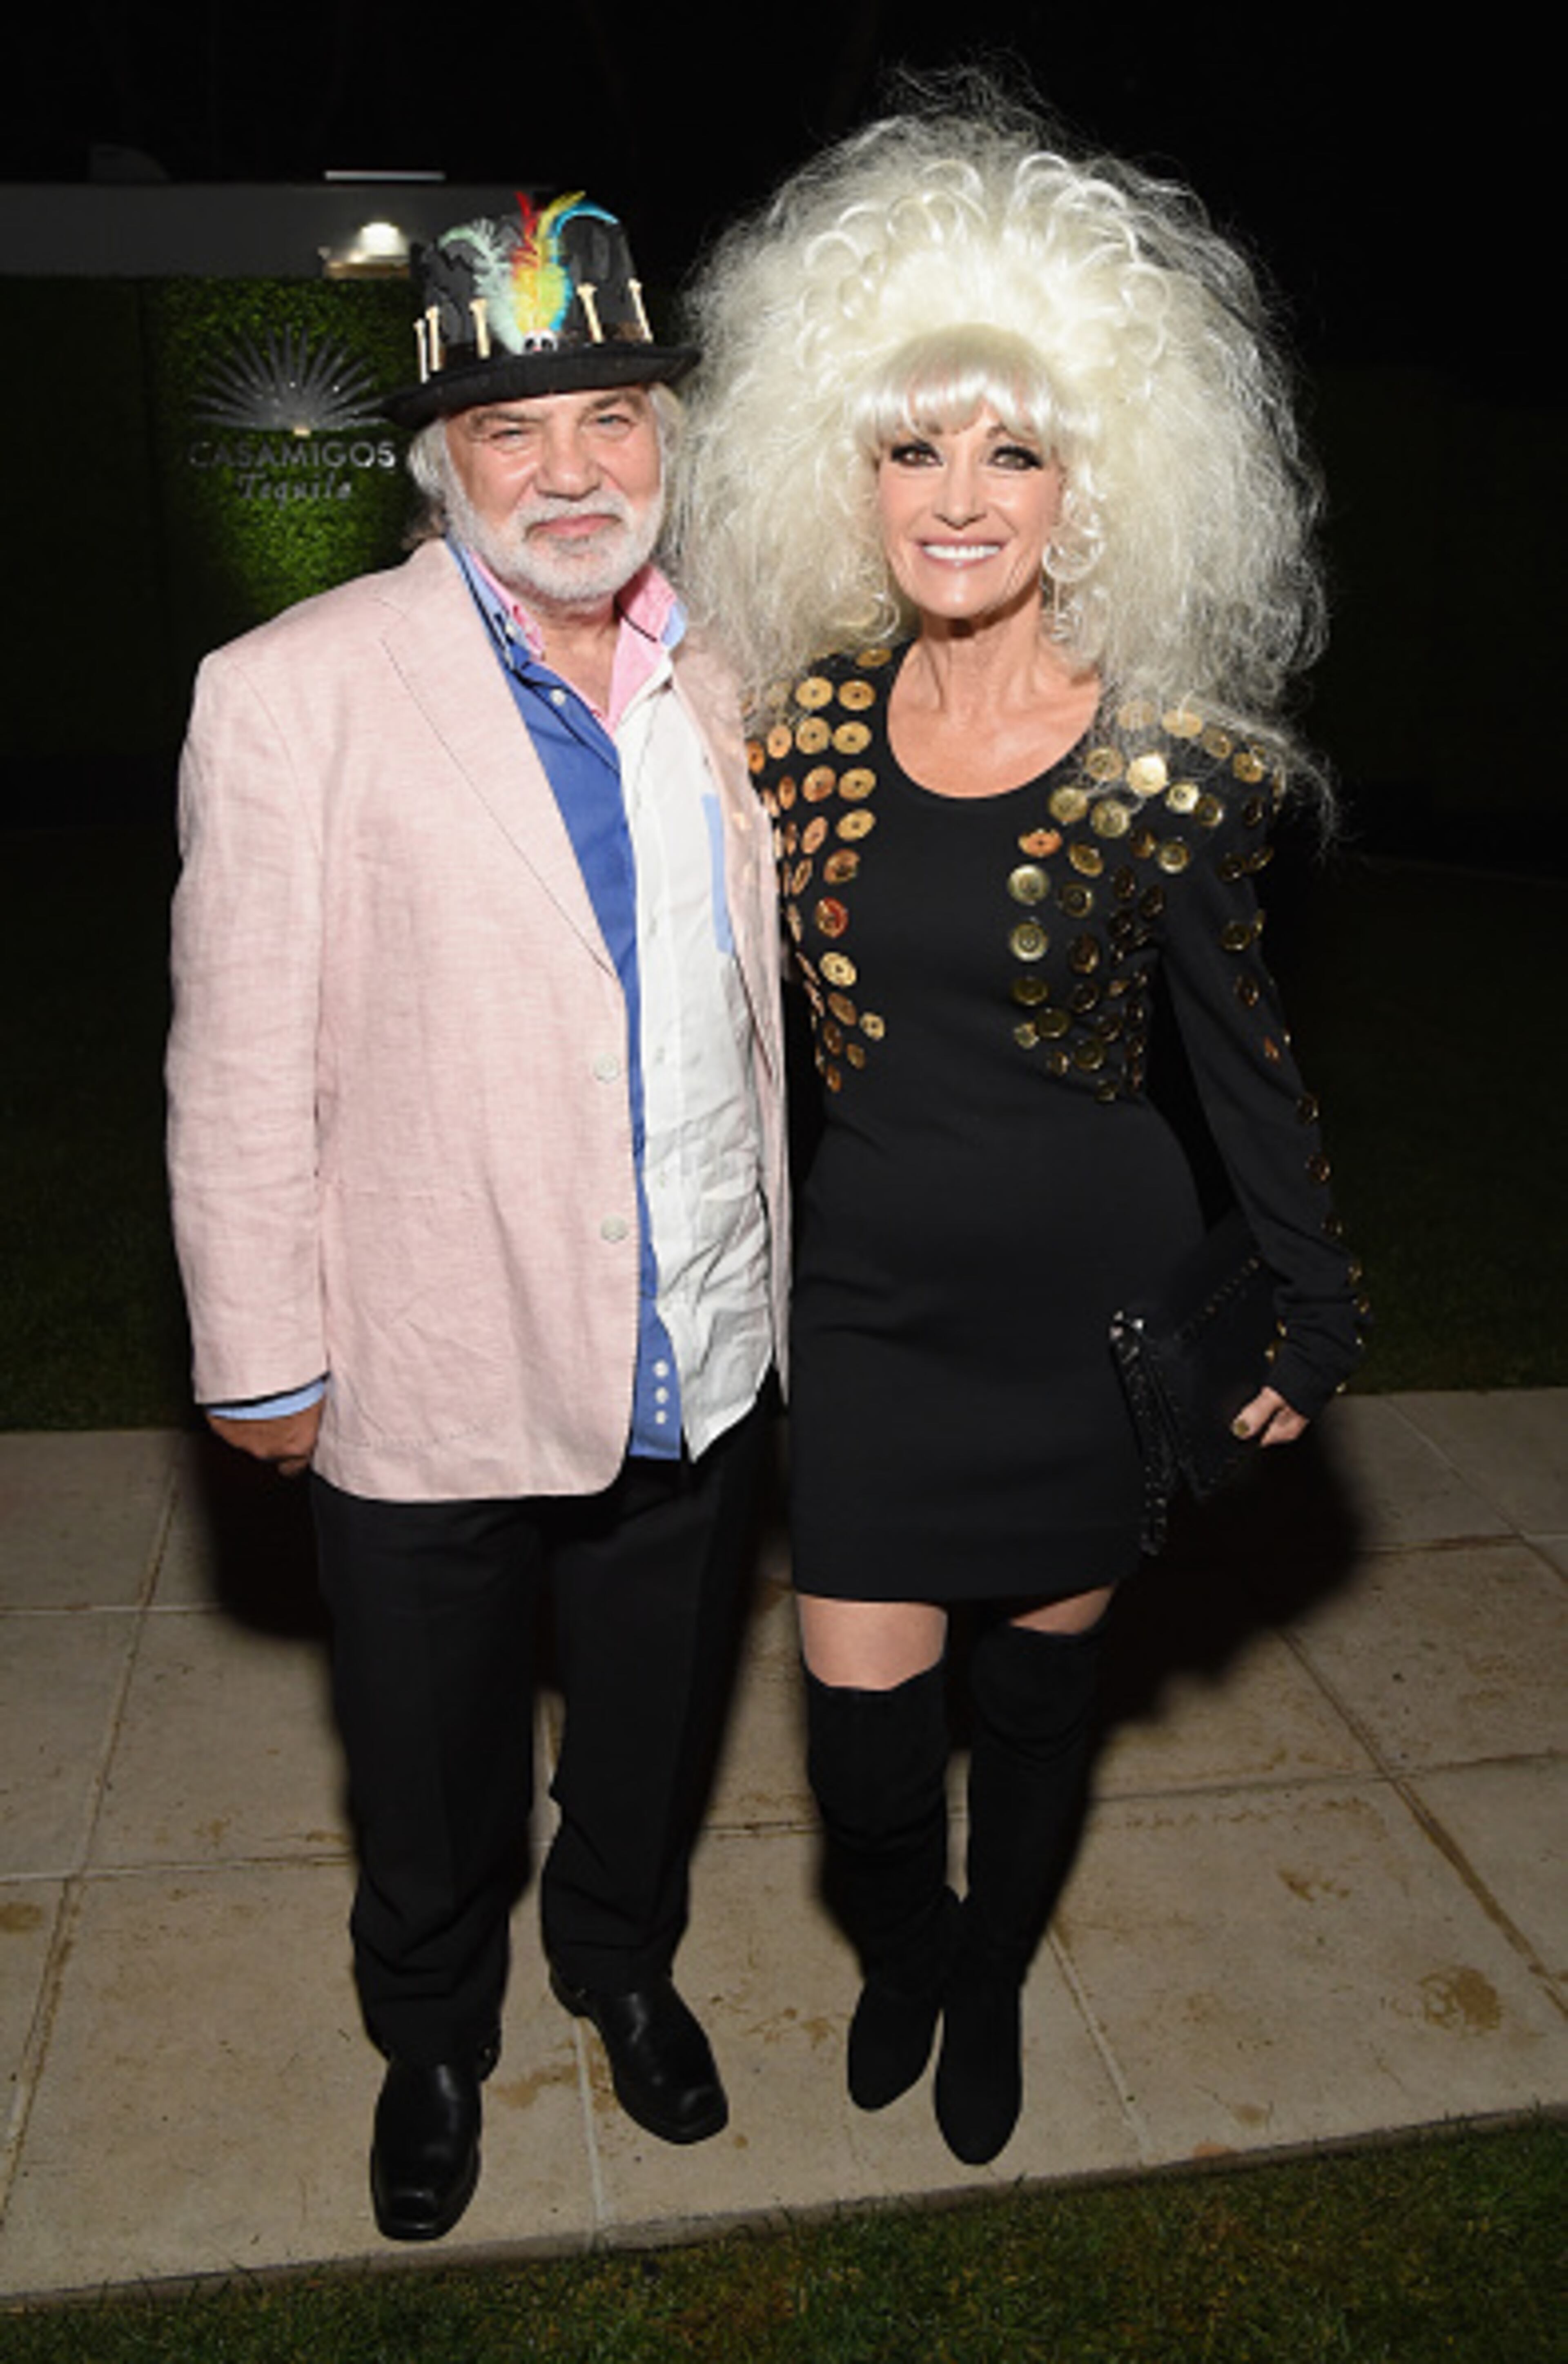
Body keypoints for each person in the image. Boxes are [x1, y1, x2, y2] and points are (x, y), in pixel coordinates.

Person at [673, 99, 1367, 2167]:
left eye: (1014, 450)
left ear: (1096, 488)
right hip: (875, 1311)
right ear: (848, 469)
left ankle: (987, 1976)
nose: (957, 498)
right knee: (872, 1747)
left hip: (1094, 1311)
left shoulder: (1181, 771)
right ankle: (907, 1937)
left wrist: (1311, 1318)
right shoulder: (790, 733)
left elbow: (1250, 1066)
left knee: (1040, 1708)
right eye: (912, 446)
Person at [166, 192, 788, 2241]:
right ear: (445, 467)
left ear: (668, 445)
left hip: (690, 1328)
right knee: (423, 1753)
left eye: (614, 417)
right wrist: (261, 1347)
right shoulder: (293, 691)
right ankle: (432, 2031)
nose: (573, 469)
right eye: (515, 432)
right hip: (429, 1335)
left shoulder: (732, 683)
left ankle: (618, 1957)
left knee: (652, 1704)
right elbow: (241, 1056)